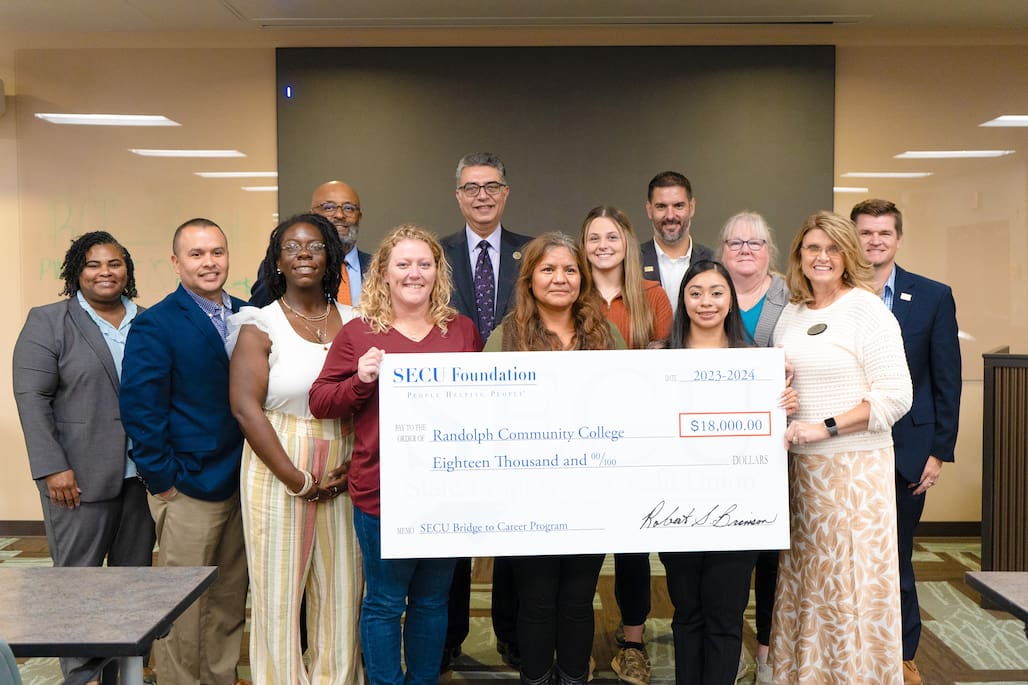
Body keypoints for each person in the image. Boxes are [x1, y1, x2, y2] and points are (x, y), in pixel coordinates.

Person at [309, 225, 481, 685]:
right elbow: (321, 401)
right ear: (383, 272)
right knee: (384, 603)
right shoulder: (359, 332)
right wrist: (360, 379)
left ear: (437, 272)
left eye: (424, 264)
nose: (414, 273)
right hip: (382, 492)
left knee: (431, 601)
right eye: (402, 264)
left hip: (446, 492)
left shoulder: (461, 331)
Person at [770, 211, 913, 685]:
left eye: (833, 248)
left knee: (848, 591)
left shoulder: (867, 309)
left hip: (854, 476)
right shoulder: (792, 312)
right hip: (802, 477)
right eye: (813, 248)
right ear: (799, 256)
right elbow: (792, 385)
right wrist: (786, 395)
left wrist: (824, 427)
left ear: (848, 254)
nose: (823, 257)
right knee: (809, 587)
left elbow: (895, 395)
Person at [13, 231, 156, 685]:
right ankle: (82, 677)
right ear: (76, 271)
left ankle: (125, 673)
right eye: (93, 264)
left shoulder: (149, 321)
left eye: (114, 263)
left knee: (133, 585)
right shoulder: (50, 321)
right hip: (76, 478)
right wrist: (52, 466)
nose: (105, 272)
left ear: (127, 270)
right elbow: (31, 397)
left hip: (141, 478)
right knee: (77, 585)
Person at [484, 232, 624, 685]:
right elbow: (484, 413)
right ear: (530, 279)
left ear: (582, 278)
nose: (559, 278)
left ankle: (573, 678)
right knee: (538, 600)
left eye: (569, 270)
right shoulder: (506, 336)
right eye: (548, 269)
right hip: (527, 495)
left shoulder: (607, 333)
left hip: (592, 491)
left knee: (580, 600)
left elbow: (629, 404)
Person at [228, 214, 362, 684]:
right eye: (292, 247)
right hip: (276, 462)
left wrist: (355, 464)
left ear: (331, 257)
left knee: (343, 593)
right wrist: (295, 477)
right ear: (278, 261)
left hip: (346, 463)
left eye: (314, 246)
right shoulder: (258, 323)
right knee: (279, 594)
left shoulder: (356, 320)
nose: (303, 254)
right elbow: (246, 408)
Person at [120, 218, 250, 685]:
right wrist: (163, 480)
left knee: (230, 595)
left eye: (217, 252)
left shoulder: (248, 312)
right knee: (184, 603)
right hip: (188, 484)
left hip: (243, 480)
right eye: (196, 254)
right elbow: (141, 409)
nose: (209, 262)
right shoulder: (156, 323)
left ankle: (218, 677)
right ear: (176, 262)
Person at [658, 259, 796, 685]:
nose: (706, 302)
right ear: (683, 299)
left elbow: (774, 434)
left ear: (731, 300)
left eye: (717, 292)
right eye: (695, 292)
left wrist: (786, 405)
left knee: (725, 616)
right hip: (675, 506)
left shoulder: (758, 360)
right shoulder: (658, 358)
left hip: (739, 509)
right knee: (686, 613)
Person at [851, 199, 961, 685]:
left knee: (896, 557)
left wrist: (939, 451)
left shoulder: (933, 296)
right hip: (845, 448)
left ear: (898, 239)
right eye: (865, 233)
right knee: (846, 555)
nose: (874, 241)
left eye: (884, 233)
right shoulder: (834, 295)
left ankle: (902, 655)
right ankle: (851, 649)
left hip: (907, 454)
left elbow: (946, 379)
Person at [440, 151, 532, 671]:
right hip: (452, 411)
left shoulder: (530, 252)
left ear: (505, 192)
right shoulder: (436, 253)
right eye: (471, 187)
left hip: (517, 411)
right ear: (458, 196)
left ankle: (513, 635)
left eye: (491, 186)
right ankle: (450, 636)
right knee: (454, 528)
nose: (481, 195)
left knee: (513, 528)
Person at [578, 206, 671, 685]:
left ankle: (632, 642)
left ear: (627, 242)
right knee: (581, 543)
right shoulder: (573, 293)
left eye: (611, 236)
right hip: (583, 438)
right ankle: (574, 643)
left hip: (638, 439)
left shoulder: (652, 296)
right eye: (593, 237)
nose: (602, 246)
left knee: (634, 545)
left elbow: (664, 362)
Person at [715, 211, 788, 685]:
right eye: (735, 242)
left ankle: (765, 653)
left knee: (769, 556)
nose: (745, 250)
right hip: (718, 449)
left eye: (755, 242)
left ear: (770, 250)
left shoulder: (791, 297)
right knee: (726, 558)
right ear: (721, 250)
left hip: (778, 447)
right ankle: (732, 649)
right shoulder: (708, 290)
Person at [251, 180, 372, 307]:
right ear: (312, 215)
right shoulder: (286, 265)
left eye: (349, 208)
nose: (340, 215)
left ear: (359, 216)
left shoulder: (379, 267)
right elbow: (259, 312)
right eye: (329, 207)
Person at [640, 171, 714, 313]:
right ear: (649, 210)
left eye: (678, 205)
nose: (670, 216)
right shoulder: (631, 261)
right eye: (661, 206)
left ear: (691, 207)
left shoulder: (714, 261)